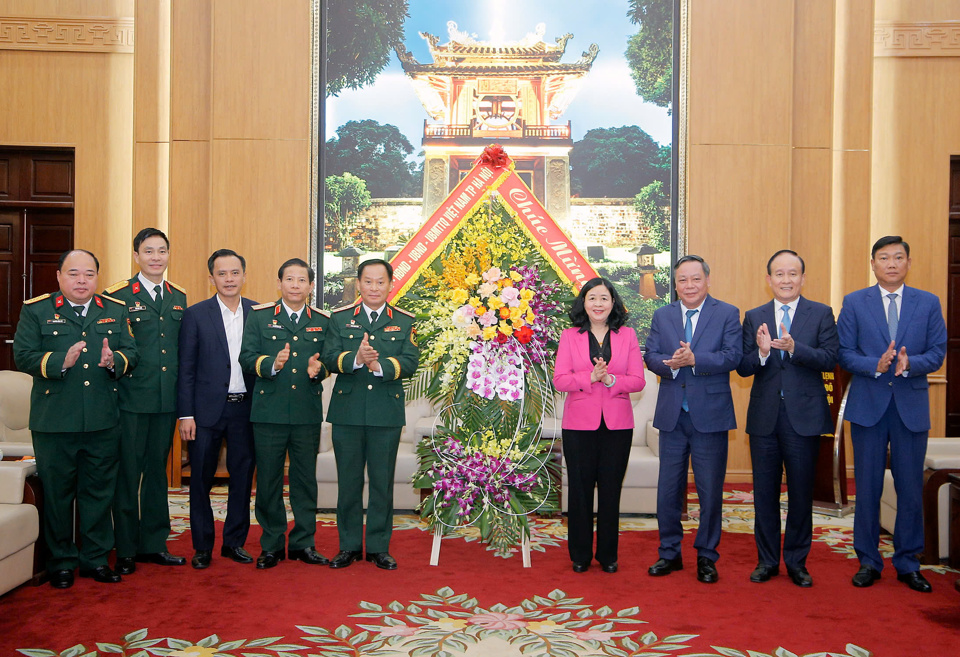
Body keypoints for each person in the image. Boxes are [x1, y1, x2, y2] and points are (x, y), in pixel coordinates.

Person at [13, 249, 138, 588]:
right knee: (58, 495)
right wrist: (59, 362)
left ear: (97, 277)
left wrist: (116, 361)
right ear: (59, 276)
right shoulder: (36, 309)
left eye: (88, 274)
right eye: (73, 274)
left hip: (102, 420)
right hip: (54, 422)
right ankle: (61, 562)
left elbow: (132, 352)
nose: (82, 280)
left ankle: (95, 559)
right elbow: (22, 356)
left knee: (98, 494)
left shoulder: (114, 309)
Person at [838, 236, 946, 593]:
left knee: (910, 488)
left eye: (898, 257)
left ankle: (908, 562)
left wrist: (910, 363)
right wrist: (876, 364)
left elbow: (938, 353)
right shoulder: (854, 302)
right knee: (866, 488)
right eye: (884, 258)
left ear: (908, 263)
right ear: (873, 264)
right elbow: (844, 353)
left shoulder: (928, 303)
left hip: (910, 408)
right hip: (868, 407)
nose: (892, 263)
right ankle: (868, 561)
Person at [737, 250, 838, 587]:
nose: (785, 280)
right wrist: (763, 353)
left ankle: (796, 561)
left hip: (804, 418)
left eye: (792, 274)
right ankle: (767, 561)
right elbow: (743, 366)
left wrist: (796, 349)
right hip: (765, 418)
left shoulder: (821, 313)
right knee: (763, 494)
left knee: (800, 493)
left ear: (803, 278)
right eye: (779, 274)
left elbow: (829, 359)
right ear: (768, 280)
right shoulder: (754, 316)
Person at [644, 254, 741, 583]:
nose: (689, 285)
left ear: (707, 280)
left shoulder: (726, 313)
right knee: (668, 490)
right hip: (672, 415)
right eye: (682, 280)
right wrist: (670, 364)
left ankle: (707, 556)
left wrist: (695, 359)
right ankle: (669, 552)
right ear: (675, 284)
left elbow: (733, 356)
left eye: (695, 279)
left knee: (710, 490)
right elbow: (651, 355)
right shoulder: (663, 315)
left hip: (710, 416)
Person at [323, 259, 419, 570]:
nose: (374, 288)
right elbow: (328, 356)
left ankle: (378, 547)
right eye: (368, 281)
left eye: (380, 282)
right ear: (359, 284)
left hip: (385, 415)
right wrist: (356, 358)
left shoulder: (404, 321)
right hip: (347, 413)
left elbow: (410, 361)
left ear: (391, 284)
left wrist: (379, 366)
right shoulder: (339, 318)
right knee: (348, 483)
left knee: (381, 484)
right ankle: (348, 546)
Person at [104, 227, 188, 573]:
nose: (156, 258)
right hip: (130, 400)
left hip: (165, 401)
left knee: (157, 474)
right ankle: (125, 548)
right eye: (149, 251)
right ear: (136, 256)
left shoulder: (178, 296)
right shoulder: (118, 296)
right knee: (128, 474)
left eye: (162, 251)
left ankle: (153, 544)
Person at [239, 258, 330, 569]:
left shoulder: (322, 320)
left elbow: (329, 360)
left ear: (310, 286)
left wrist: (320, 370)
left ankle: (304, 543)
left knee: (305, 481)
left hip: (306, 413)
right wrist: (272, 364)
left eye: (301, 280)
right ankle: (272, 544)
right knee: (268, 482)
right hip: (268, 413)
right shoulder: (260, 316)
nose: (295, 285)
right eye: (289, 279)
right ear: (279, 283)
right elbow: (246, 357)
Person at [553, 277, 646, 574]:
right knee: (579, 491)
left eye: (604, 298)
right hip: (579, 425)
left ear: (613, 303)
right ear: (584, 302)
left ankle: (608, 555)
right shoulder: (570, 336)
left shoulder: (628, 335)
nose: (598, 304)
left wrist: (610, 379)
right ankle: (579, 554)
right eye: (592, 298)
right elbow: (560, 380)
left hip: (617, 425)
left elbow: (638, 380)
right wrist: (590, 378)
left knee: (609, 490)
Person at [177, 249, 257, 569]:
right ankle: (202, 546)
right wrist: (186, 414)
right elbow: (186, 369)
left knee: (242, 480)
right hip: (205, 413)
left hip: (246, 410)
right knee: (200, 481)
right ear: (211, 278)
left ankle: (234, 543)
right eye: (221, 274)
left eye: (234, 273)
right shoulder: (196, 314)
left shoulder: (259, 312)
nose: (228, 279)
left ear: (244, 275)